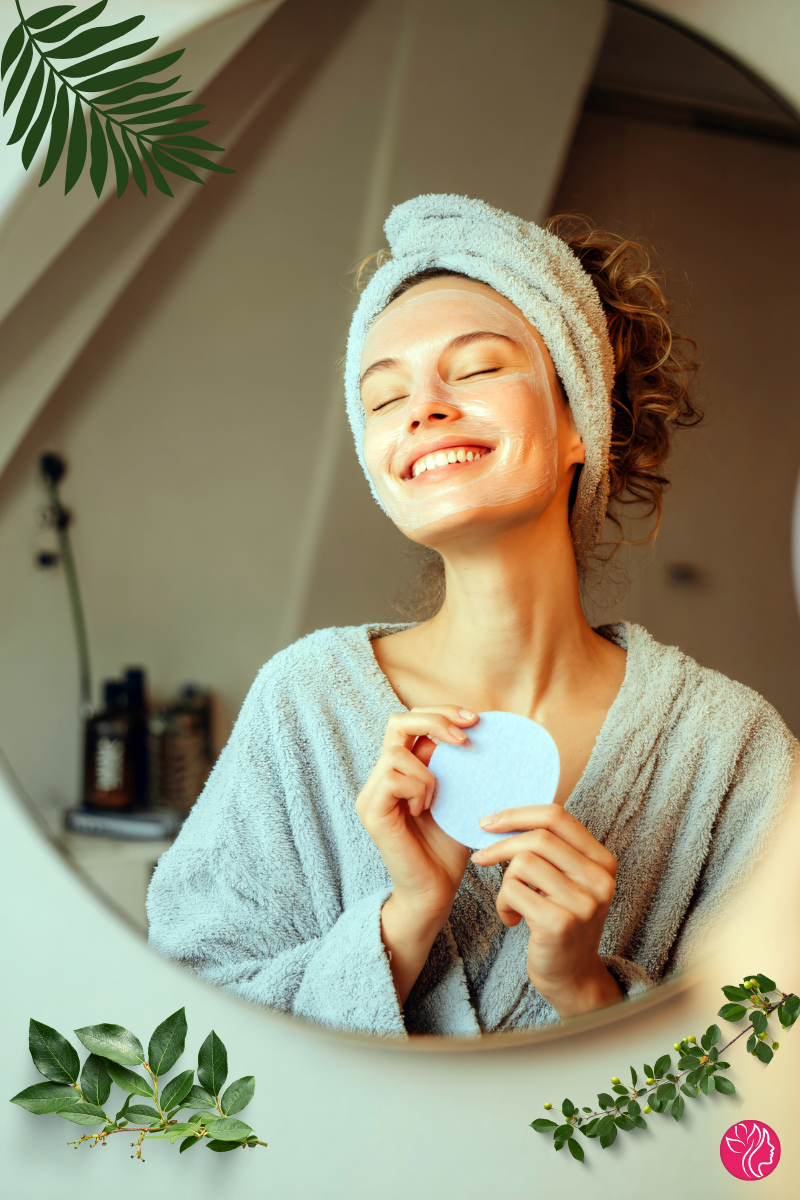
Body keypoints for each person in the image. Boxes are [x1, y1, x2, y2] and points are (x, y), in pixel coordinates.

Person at [147, 194, 797, 1038]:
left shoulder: (730, 749)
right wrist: (404, 920)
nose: (422, 407)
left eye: (479, 367)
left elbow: (769, 1080)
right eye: (383, 399)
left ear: (580, 420)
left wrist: (589, 992)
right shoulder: (302, 704)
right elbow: (182, 1027)